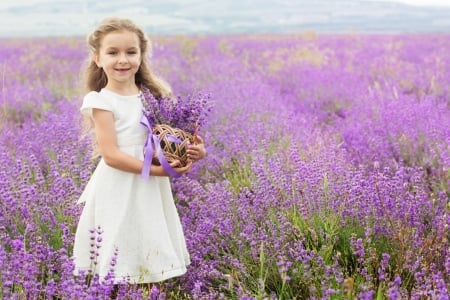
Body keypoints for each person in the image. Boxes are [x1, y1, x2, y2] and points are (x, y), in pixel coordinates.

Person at [73, 17, 206, 284]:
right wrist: (158, 170)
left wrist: (194, 151)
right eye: (113, 52)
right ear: (97, 58)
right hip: (118, 182)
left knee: (149, 230)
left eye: (131, 52)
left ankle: (147, 285)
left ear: (141, 55)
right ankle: (118, 287)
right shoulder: (100, 100)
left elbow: (174, 142)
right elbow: (110, 155)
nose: (122, 59)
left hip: (150, 184)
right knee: (119, 234)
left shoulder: (155, 97)